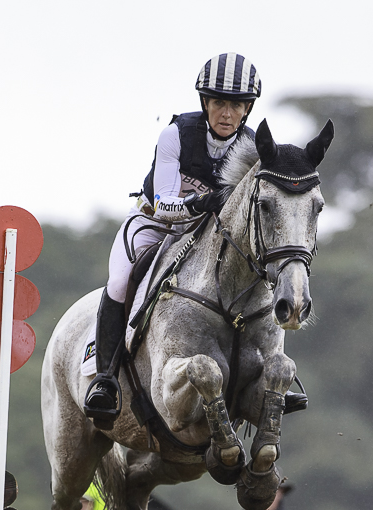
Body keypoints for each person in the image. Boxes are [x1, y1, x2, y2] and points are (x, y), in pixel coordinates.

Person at [83, 53, 261, 428]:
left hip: (206, 236)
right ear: (205, 103)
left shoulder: (251, 147)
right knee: (120, 279)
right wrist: (200, 201)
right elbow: (164, 201)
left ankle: (264, 379)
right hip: (154, 222)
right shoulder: (176, 134)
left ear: (247, 109)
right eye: (218, 103)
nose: (226, 113)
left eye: (235, 105)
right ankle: (105, 379)